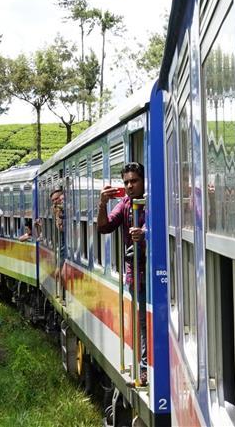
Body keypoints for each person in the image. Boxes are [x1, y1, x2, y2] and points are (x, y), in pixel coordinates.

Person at [97, 162, 148, 384]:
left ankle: (145, 366)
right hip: (134, 272)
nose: (129, 186)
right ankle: (143, 366)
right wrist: (102, 204)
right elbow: (104, 227)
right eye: (126, 182)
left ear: (143, 181)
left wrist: (145, 233)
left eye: (134, 181)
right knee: (141, 319)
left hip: (155, 271)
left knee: (147, 320)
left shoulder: (153, 201)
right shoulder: (125, 204)